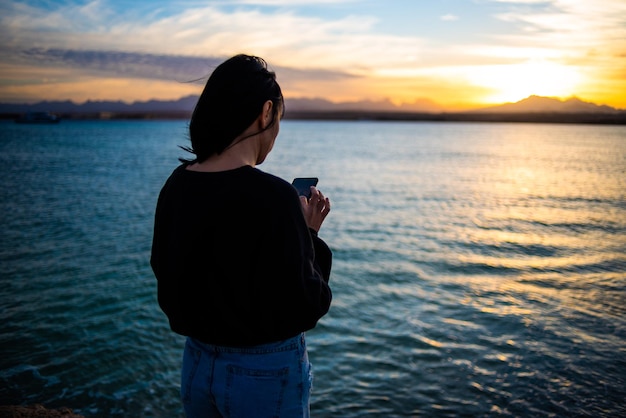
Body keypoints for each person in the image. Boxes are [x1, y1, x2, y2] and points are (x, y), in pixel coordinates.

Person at [150, 54, 333, 418]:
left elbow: (166, 275)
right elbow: (307, 304)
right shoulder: (276, 198)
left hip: (197, 363)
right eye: (278, 119)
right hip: (265, 373)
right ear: (266, 113)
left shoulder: (177, 185)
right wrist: (309, 234)